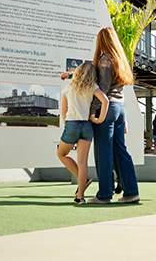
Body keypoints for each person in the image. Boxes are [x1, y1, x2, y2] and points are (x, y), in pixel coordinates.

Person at [60, 28, 140, 204]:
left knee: (103, 152)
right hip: (119, 108)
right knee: (120, 151)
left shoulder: (104, 59)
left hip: (107, 110)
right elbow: (95, 75)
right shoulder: (120, 59)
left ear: (101, 40)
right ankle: (131, 191)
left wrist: (92, 111)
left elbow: (102, 87)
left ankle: (104, 195)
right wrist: (71, 75)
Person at [57, 62, 108, 203]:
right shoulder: (92, 86)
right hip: (87, 125)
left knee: (61, 154)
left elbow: (64, 112)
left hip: (72, 124)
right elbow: (105, 101)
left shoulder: (68, 87)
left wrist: (67, 126)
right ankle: (80, 197)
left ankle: (83, 179)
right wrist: (100, 119)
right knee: (83, 162)